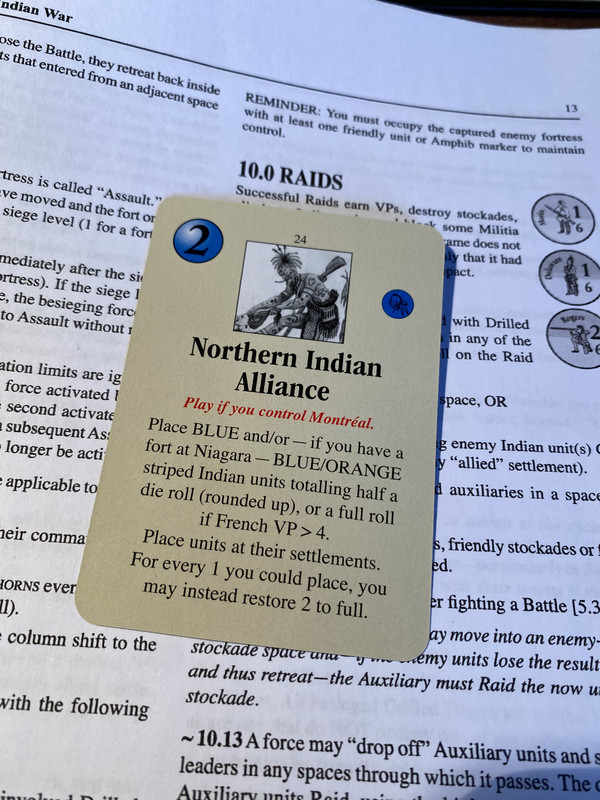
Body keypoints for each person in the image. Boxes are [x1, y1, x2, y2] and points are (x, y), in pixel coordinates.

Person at [239, 245, 342, 340]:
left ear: (293, 269)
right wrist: (257, 307)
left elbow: (301, 301)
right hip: (311, 315)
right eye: (282, 275)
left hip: (324, 319)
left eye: (286, 273)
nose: (285, 277)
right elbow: (279, 299)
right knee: (283, 321)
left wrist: (279, 308)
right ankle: (255, 337)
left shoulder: (310, 278)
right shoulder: (293, 283)